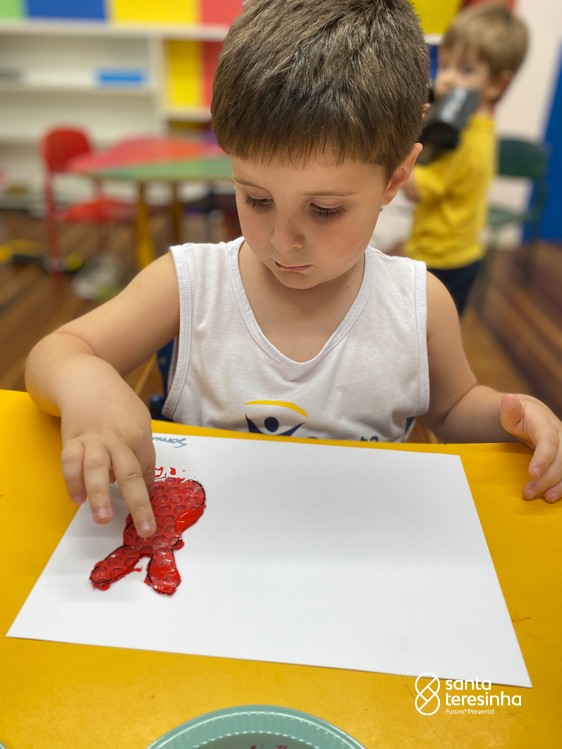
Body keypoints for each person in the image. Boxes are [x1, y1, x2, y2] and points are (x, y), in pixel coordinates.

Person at [25, 0, 561, 539]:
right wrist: (85, 382)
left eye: (324, 209)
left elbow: (453, 409)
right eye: (256, 199)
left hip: (362, 549)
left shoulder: (420, 303)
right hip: (208, 552)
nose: (282, 241)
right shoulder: (188, 284)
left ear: (395, 180)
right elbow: (59, 352)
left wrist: (510, 416)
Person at [403, 3, 529, 315]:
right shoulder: (473, 126)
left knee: (426, 335)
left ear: (497, 84)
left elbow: (415, 190)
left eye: (465, 70)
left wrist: (400, 148)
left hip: (442, 259)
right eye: (445, 65)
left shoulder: (466, 142)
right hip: (452, 252)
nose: (446, 79)